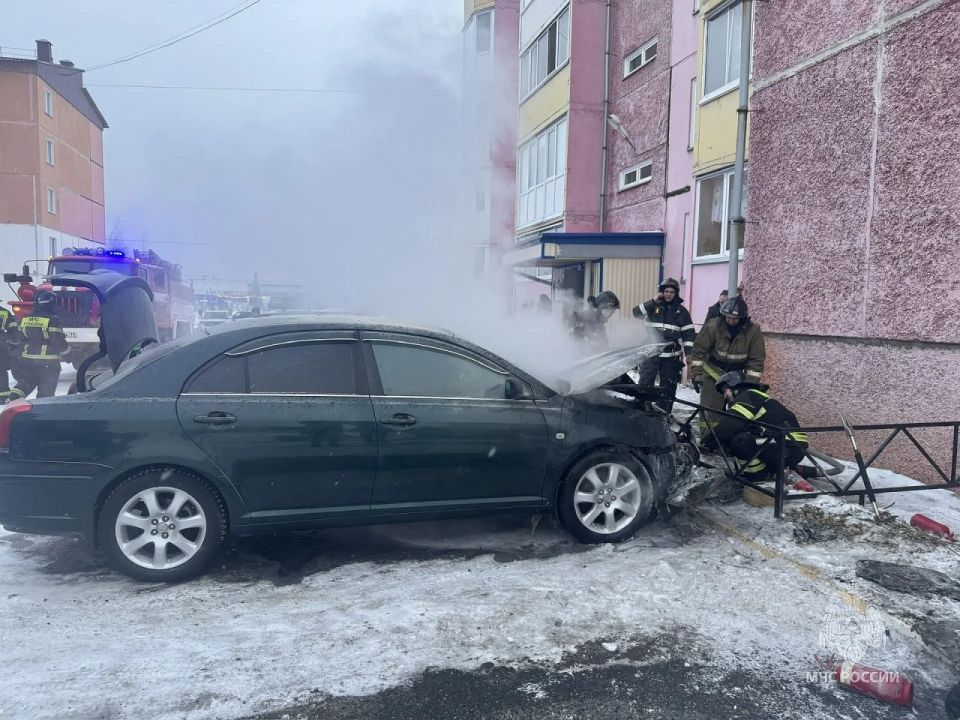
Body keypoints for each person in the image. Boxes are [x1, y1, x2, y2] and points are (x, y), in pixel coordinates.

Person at [702, 371, 808, 482]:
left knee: (740, 441)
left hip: (787, 446)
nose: (725, 395)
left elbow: (731, 423)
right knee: (741, 438)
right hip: (788, 446)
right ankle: (775, 470)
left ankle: (758, 476)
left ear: (733, 385)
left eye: (725, 390)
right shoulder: (754, 395)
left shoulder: (747, 396)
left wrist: (707, 443)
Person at [688, 295, 765, 435]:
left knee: (739, 410)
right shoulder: (713, 326)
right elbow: (698, 351)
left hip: (738, 378)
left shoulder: (753, 331)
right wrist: (696, 374)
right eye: (727, 317)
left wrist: (750, 384)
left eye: (734, 319)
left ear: (742, 318)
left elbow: (756, 360)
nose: (730, 321)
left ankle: (733, 442)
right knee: (710, 409)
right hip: (713, 373)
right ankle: (708, 440)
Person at [632, 277, 695, 412]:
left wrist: (689, 353)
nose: (668, 294)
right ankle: (641, 411)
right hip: (651, 353)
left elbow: (688, 334)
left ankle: (663, 415)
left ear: (676, 293)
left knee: (667, 389)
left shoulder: (682, 312)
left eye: (672, 292)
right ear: (662, 292)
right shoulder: (652, 306)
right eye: (666, 291)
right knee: (644, 384)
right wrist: (653, 301)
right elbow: (636, 313)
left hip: (671, 357)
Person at [8, 290, 67, 401]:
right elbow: (57, 339)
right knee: (46, 391)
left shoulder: (25, 319)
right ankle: (42, 409)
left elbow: (20, 338)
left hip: (28, 360)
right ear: (50, 303)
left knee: (26, 382)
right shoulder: (53, 319)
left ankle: (13, 398)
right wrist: (66, 349)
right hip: (48, 363)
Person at [0, 305, 20, 402]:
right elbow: (13, 329)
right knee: (1, 370)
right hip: (1, 342)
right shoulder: (4, 312)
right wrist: (15, 342)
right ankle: (3, 396)